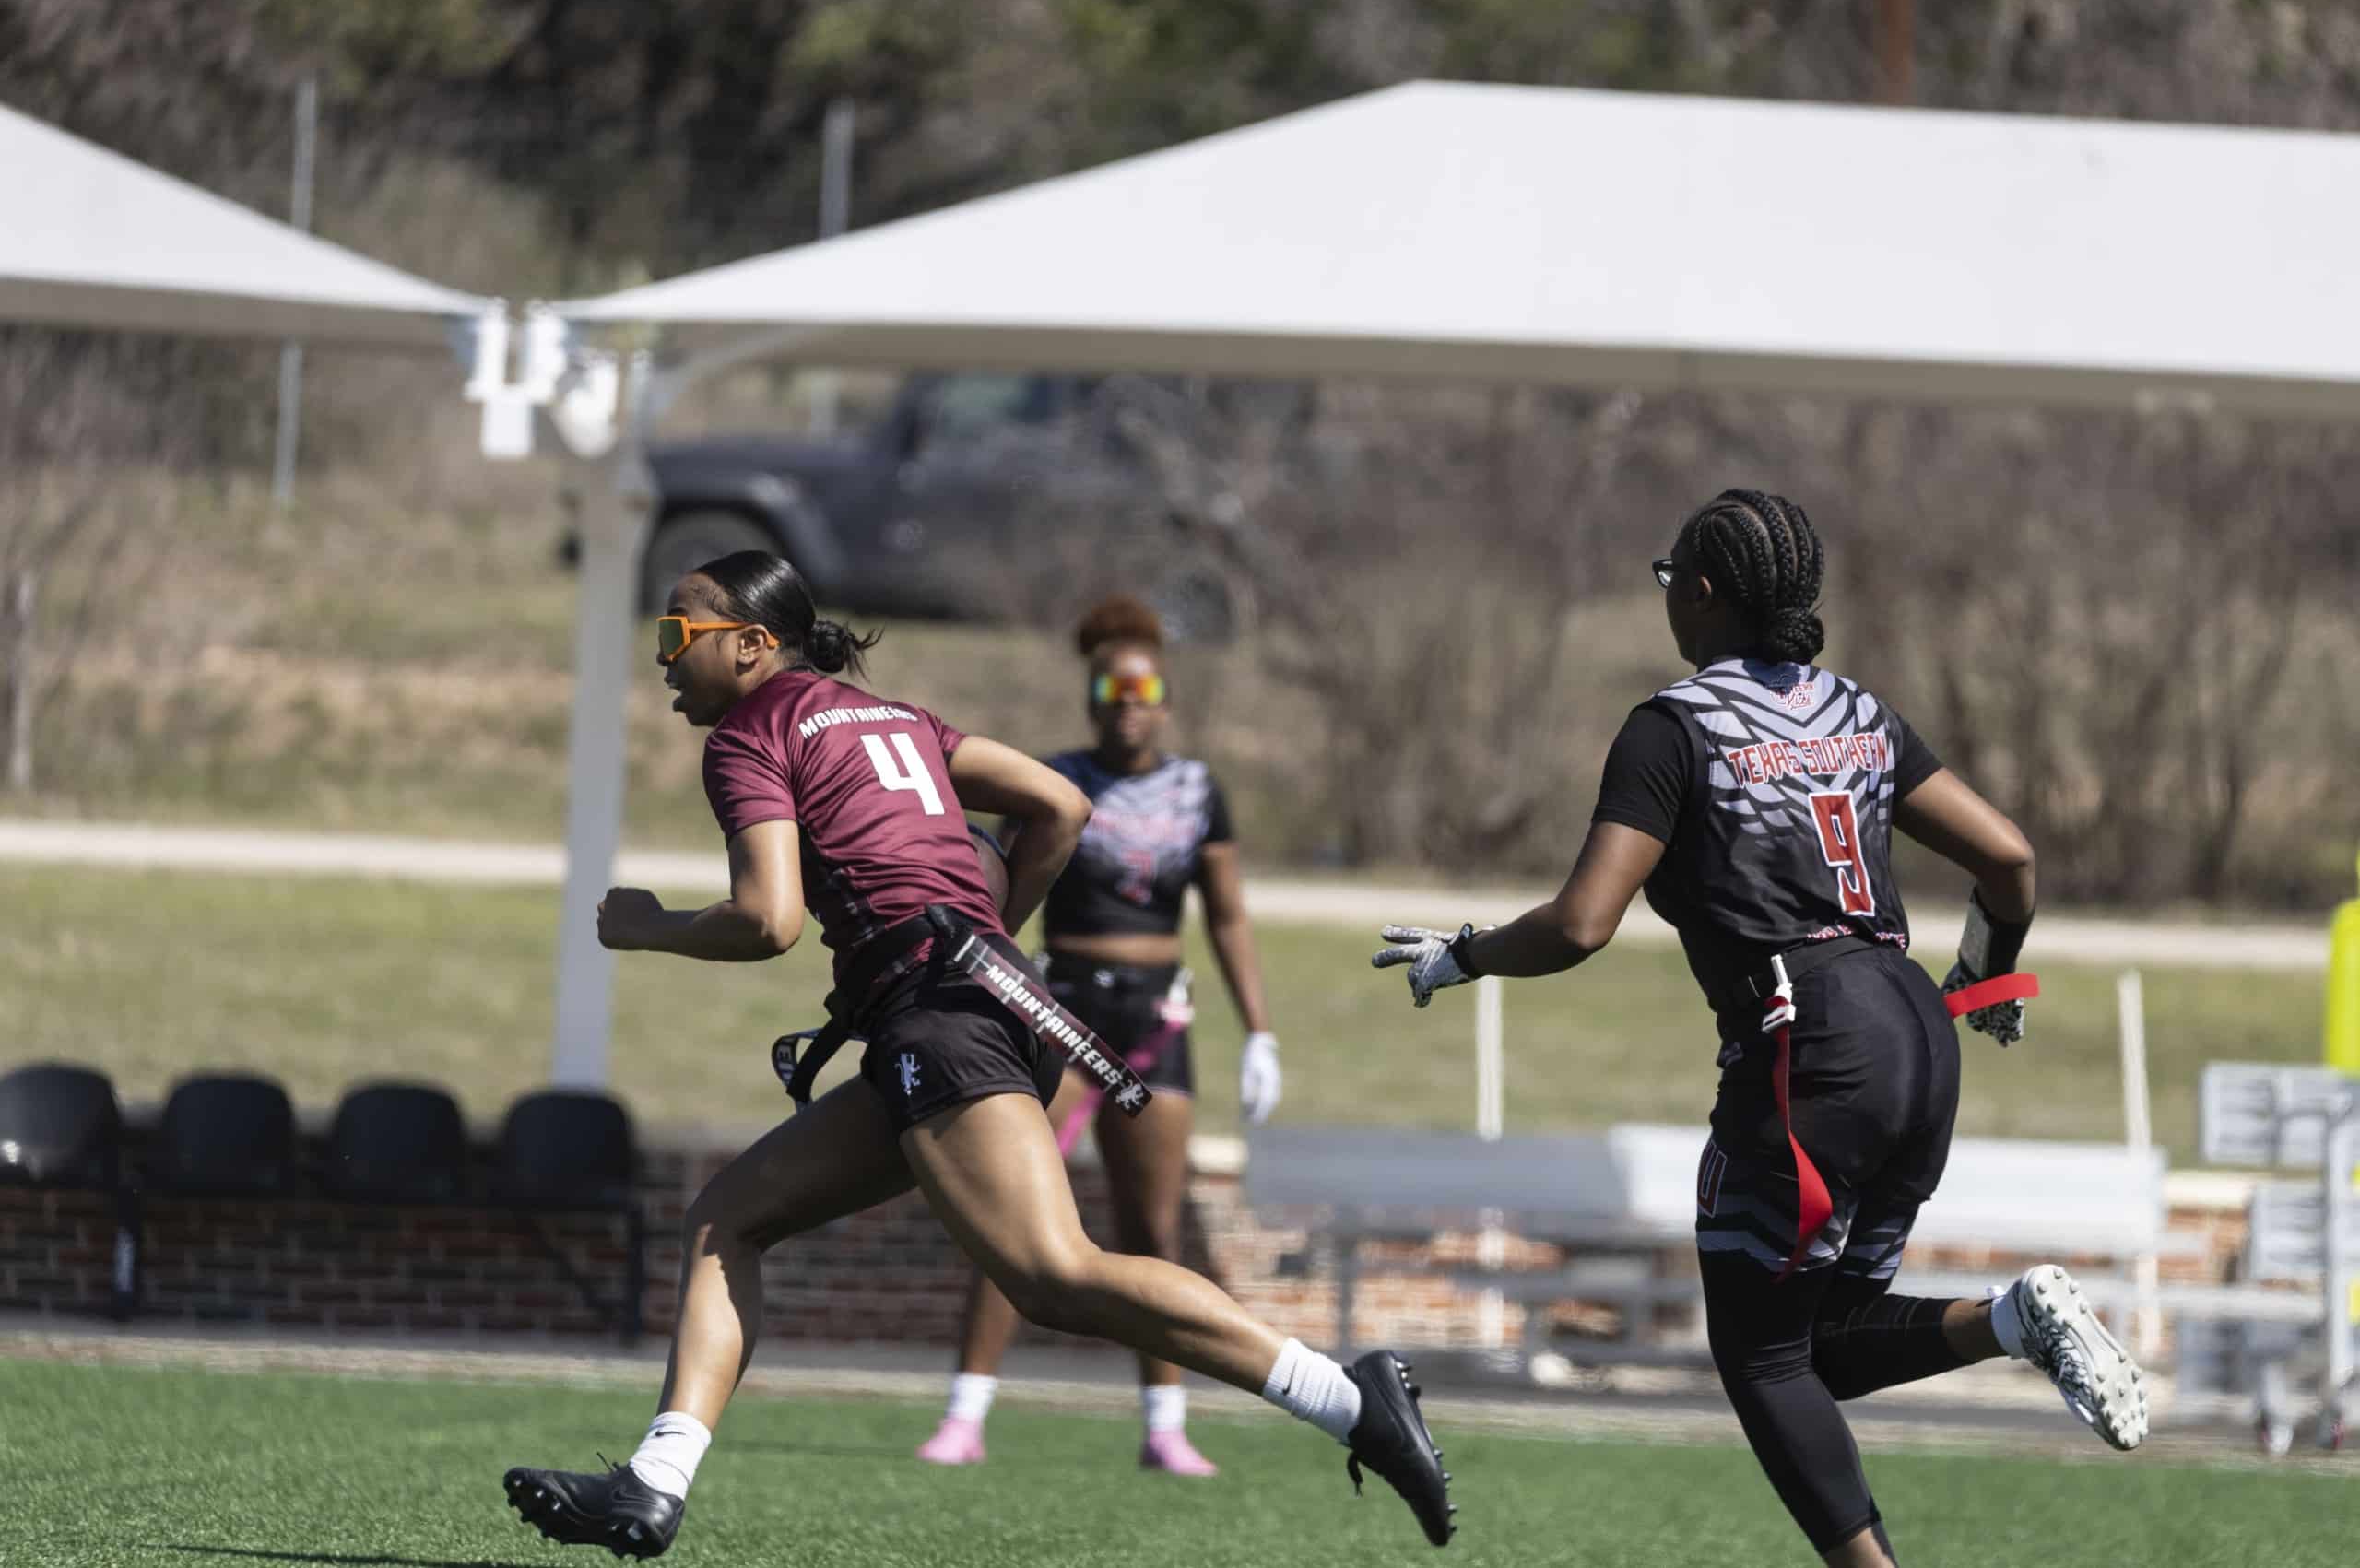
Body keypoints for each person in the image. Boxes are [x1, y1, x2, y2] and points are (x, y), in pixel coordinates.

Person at [503, 552, 1455, 1559]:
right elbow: (1061, 805)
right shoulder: (898, 718)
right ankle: (654, 1483)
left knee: (1055, 1274)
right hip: (976, 1006)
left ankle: (1352, 1402)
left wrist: (648, 926)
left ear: (748, 645)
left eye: (675, 634)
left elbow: (768, 919)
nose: (662, 657)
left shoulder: (749, 733)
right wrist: (987, 934)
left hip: (942, 1020)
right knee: (725, 1220)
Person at [1369, 492, 2144, 1567]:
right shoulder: (1857, 710)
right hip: (1917, 1033)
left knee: (1761, 1359)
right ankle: (2014, 1320)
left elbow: (1582, 922)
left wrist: (1466, 954)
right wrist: (1986, 973)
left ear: (1699, 592)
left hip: (1808, 1043)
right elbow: (2008, 858)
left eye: (1668, 580)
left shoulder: (1672, 727)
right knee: (1822, 1343)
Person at [915, 595, 1283, 1476]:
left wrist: (1259, 1031)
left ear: (1166, 698)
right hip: (1060, 1011)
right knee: (1013, 1215)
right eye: (1110, 690)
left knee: (1152, 1222)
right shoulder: (1054, 780)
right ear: (1090, 697)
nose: (1127, 705)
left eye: (1143, 689)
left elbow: (1227, 915)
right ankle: (966, 1414)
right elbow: (995, 893)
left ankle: (1165, 1423)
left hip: (1156, 1017)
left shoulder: (1197, 790)